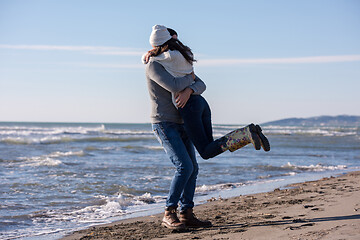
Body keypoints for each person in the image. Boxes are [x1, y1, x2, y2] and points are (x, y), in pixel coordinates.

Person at [144, 25, 270, 230]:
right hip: (164, 123)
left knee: (193, 168)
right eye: (172, 42)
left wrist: (191, 88)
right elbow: (175, 86)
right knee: (184, 166)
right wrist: (189, 82)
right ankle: (169, 213)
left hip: (183, 122)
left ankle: (186, 213)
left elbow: (201, 84)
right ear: (164, 44)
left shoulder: (175, 63)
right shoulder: (153, 65)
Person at [145, 25, 270, 160]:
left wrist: (188, 90)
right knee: (211, 147)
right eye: (173, 40)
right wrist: (190, 82)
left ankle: (246, 134)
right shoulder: (181, 61)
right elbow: (198, 82)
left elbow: (178, 85)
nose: (176, 42)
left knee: (206, 152)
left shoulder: (168, 62)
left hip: (190, 107)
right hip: (201, 103)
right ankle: (248, 135)